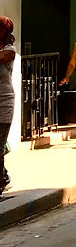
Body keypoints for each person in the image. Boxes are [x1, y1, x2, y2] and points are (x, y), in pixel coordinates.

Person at [0, 17, 16, 194]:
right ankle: (3, 176)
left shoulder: (9, 50)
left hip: (4, 101)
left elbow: (2, 57)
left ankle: (1, 182)